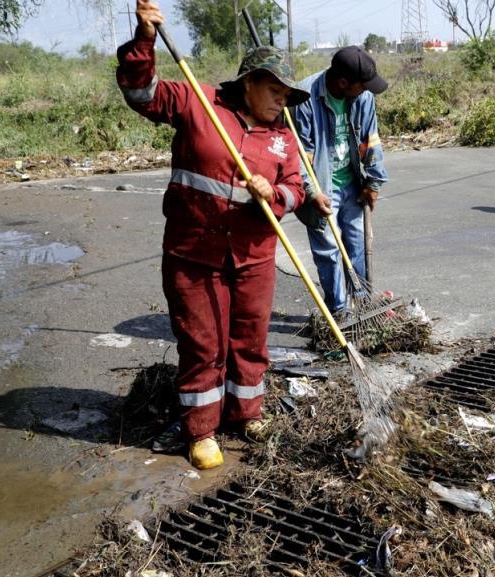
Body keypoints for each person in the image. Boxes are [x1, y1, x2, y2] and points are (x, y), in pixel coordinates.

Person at [117, 0, 310, 470]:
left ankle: (247, 413)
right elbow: (142, 94)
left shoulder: (283, 137)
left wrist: (275, 193)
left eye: (287, 94)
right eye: (275, 90)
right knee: (203, 343)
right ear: (249, 83)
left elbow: (297, 190)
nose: (281, 100)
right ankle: (201, 430)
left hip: (253, 256)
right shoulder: (198, 104)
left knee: (250, 338)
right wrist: (144, 40)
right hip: (194, 252)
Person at [292, 46, 388, 315]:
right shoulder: (304, 97)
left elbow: (371, 140)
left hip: (352, 183)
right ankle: (340, 310)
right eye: (363, 84)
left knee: (357, 244)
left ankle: (362, 303)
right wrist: (311, 193)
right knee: (330, 250)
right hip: (321, 186)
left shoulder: (363, 97)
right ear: (343, 82)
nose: (367, 90)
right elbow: (299, 156)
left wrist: (373, 182)